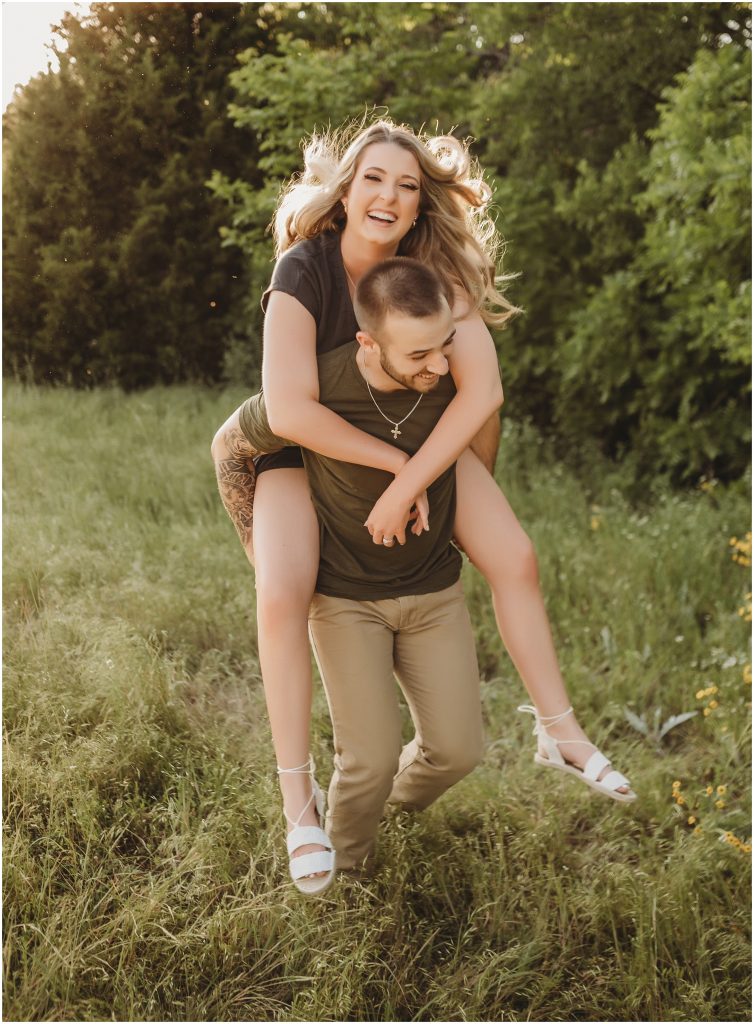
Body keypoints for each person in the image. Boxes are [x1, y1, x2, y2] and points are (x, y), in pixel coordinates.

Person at [211, 117, 635, 889]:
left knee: (515, 555)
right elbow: (292, 410)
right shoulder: (304, 271)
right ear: (346, 192)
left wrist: (415, 484)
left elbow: (485, 392)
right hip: (295, 448)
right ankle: (299, 801)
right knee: (284, 591)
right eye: (373, 178)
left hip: (409, 444)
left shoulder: (427, 267)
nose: (390, 196)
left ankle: (559, 730)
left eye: (407, 186)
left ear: (419, 205)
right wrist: (396, 467)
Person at [243, 258, 486, 885]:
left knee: (459, 751)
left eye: (444, 348)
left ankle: (385, 807)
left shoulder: (447, 384)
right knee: (369, 759)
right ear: (368, 343)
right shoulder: (319, 389)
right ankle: (346, 872)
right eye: (420, 354)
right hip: (347, 597)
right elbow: (240, 437)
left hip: (432, 591)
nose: (439, 365)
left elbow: (485, 434)